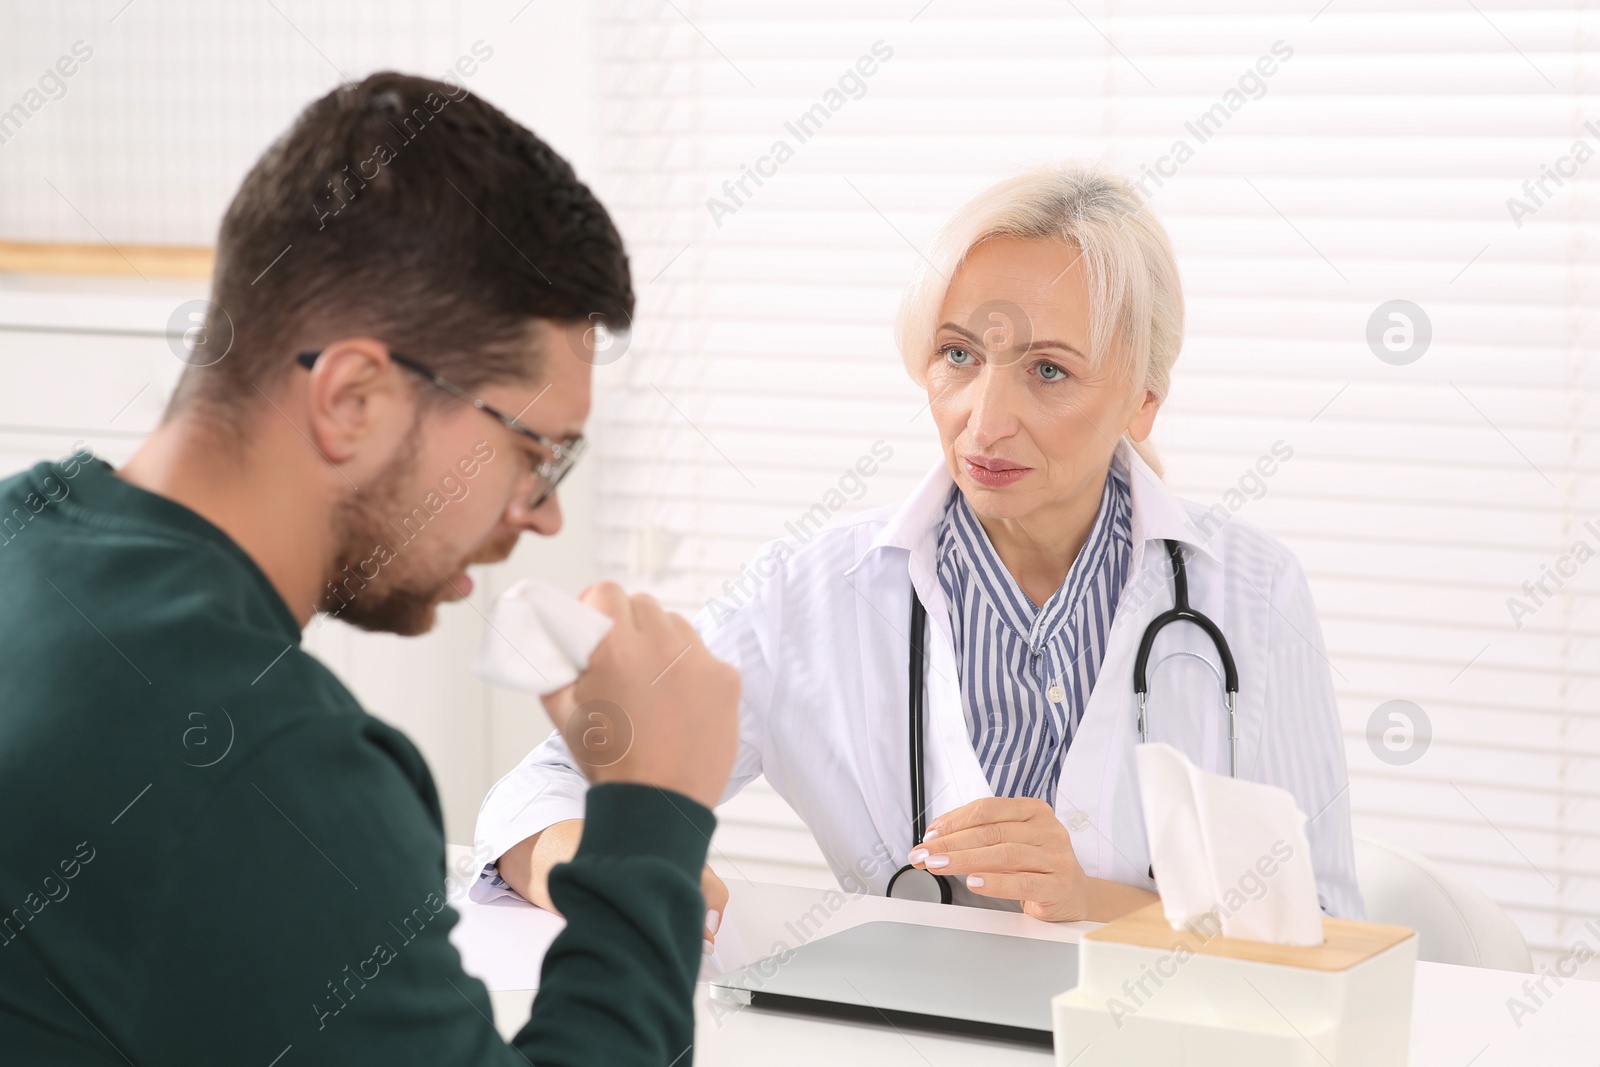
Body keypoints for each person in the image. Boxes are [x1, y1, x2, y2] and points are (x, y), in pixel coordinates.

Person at [0, 72, 738, 1065]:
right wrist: (651, 808)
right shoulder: (267, 764)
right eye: (535, 449)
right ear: (353, 398)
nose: (545, 509)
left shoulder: (24, 531)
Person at [481, 165, 1364, 925]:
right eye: (958, 355)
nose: (985, 419)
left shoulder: (1250, 594)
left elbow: (1324, 929)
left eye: (1048, 370)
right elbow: (545, 787)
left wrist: (1094, 902)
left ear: (1141, 401)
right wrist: (616, 872)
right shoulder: (812, 591)